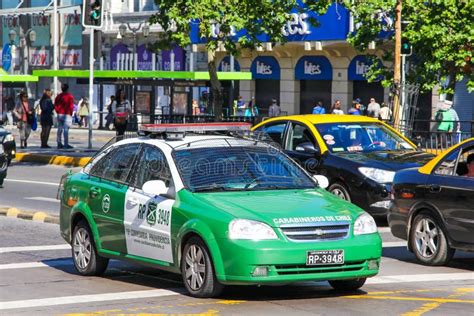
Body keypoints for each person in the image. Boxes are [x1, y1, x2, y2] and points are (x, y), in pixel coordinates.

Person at [54, 83, 75, 149]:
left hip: (60, 114)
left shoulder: (58, 96)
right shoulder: (70, 96)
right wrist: (71, 113)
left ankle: (59, 143)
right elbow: (71, 106)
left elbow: (55, 104)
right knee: (66, 130)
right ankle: (66, 144)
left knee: (59, 129)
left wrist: (57, 111)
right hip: (67, 114)